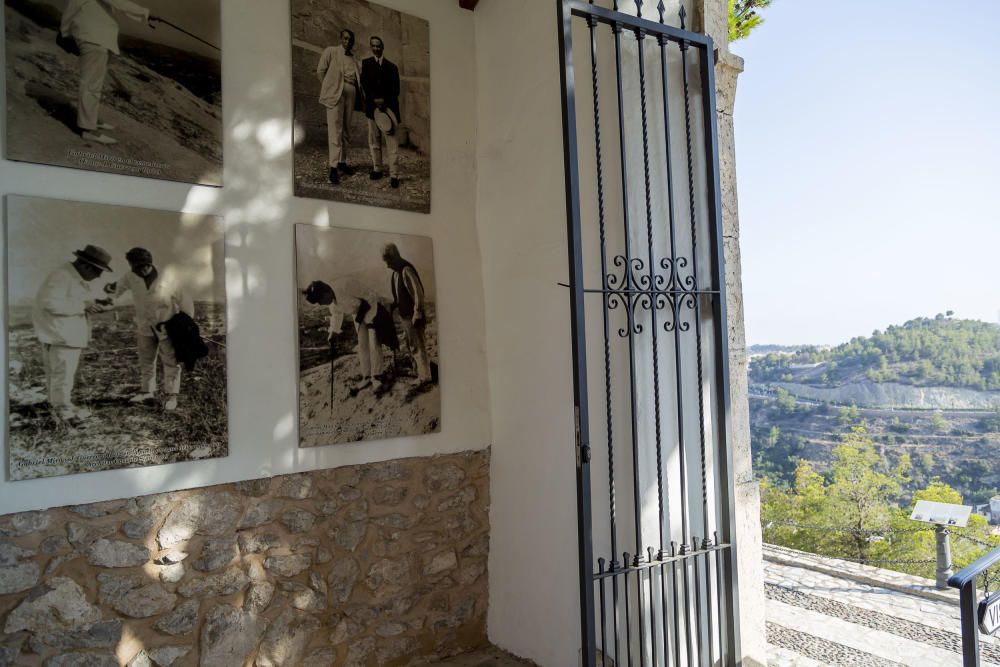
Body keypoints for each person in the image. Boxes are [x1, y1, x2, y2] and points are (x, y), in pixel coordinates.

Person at [105, 248, 193, 411]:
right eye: (137, 267)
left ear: (151, 263)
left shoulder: (169, 279)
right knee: (146, 361)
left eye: (145, 265)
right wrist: (109, 291)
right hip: (144, 326)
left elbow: (185, 301)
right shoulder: (130, 277)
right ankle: (147, 392)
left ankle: (171, 396)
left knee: (170, 361)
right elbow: (117, 289)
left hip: (167, 327)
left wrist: (187, 325)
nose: (142, 269)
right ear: (131, 266)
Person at [32, 245, 112, 423]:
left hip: (64, 334)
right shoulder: (61, 276)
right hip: (60, 335)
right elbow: (50, 303)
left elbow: (71, 299)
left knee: (59, 375)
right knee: (62, 375)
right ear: (85, 265)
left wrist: (93, 301)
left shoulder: (71, 276)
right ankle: (64, 413)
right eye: (98, 271)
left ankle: (59, 406)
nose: (99, 276)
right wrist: (84, 306)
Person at [60, 0, 152, 145]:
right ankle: (88, 131)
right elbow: (119, 2)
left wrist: (65, 31)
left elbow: (72, 8)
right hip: (94, 39)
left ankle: (90, 121)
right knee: (91, 86)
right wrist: (144, 12)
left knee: (94, 85)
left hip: (98, 39)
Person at [302, 279, 398, 394]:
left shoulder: (345, 285)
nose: (321, 304)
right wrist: (333, 333)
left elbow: (370, 296)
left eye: (320, 300)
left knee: (374, 342)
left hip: (372, 309)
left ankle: (377, 376)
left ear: (326, 292)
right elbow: (336, 315)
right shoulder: (332, 304)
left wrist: (369, 320)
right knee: (362, 345)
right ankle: (366, 376)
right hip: (358, 315)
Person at [382, 243, 432, 385]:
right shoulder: (395, 274)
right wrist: (394, 305)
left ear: (395, 257)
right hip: (405, 317)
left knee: (418, 346)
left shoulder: (406, 270)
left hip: (413, 316)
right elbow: (400, 297)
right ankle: (418, 372)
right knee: (411, 345)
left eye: (388, 262)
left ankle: (425, 377)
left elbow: (418, 294)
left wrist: (418, 313)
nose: (387, 266)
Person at [317, 29, 362, 185]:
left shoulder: (354, 60)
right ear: (341, 38)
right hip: (336, 93)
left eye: (350, 39)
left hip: (351, 93)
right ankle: (333, 168)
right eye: (345, 38)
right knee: (335, 130)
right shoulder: (331, 51)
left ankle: (342, 162)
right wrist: (329, 88)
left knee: (346, 129)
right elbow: (320, 70)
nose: (347, 41)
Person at [360, 35, 402, 189]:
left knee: (392, 144)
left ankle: (394, 175)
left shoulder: (392, 67)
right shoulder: (366, 64)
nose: (376, 48)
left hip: (389, 110)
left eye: (379, 46)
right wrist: (374, 100)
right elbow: (364, 85)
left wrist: (384, 102)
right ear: (371, 47)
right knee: (374, 142)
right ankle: (377, 169)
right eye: (373, 46)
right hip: (372, 110)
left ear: (383, 47)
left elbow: (395, 90)